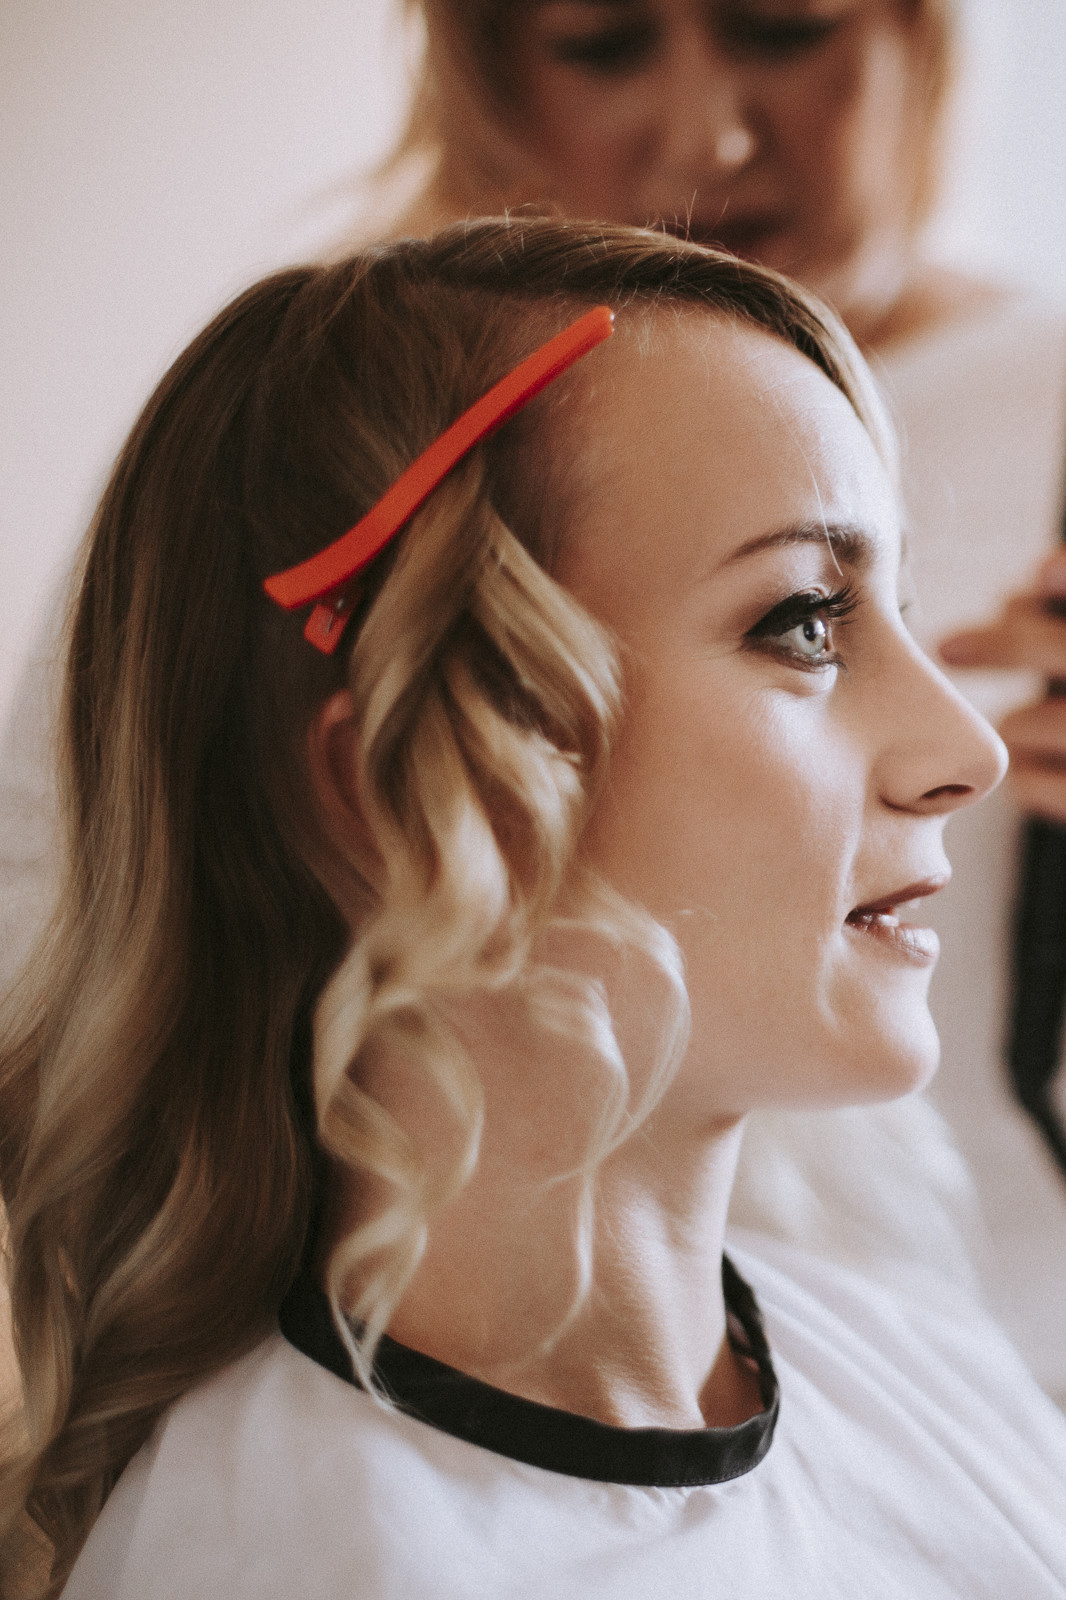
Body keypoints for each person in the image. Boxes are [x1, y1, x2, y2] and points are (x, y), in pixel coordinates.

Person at [4, 214, 1065, 1599]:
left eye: (901, 612)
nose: (967, 751)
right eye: (803, 621)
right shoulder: (317, 1564)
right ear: (397, 788)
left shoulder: (917, 1366)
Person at [357, 0, 1066, 1392]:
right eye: (603, 45)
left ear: (918, 40)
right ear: (486, 68)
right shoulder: (346, 445)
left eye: (783, 29)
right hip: (503, 1394)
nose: (712, 137)